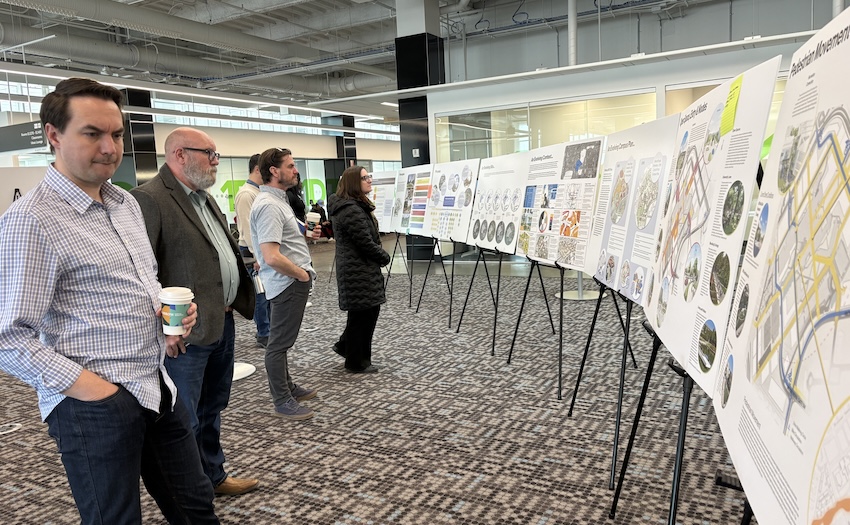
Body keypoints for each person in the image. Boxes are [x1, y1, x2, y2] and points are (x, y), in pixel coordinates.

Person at [0, 77, 218, 523]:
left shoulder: (125, 204)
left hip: (157, 383)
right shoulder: (32, 220)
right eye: (92, 133)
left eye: (116, 134)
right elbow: (8, 337)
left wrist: (166, 321)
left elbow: (135, 286)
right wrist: (97, 392)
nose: (110, 147)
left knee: (196, 507)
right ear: (53, 136)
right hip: (94, 404)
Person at [131, 127, 259, 496]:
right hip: (184, 332)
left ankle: (212, 476)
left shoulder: (205, 197)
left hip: (222, 320)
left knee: (212, 405)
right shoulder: (150, 199)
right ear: (179, 155)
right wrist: (165, 328)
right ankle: (190, 490)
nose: (215, 161)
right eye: (209, 154)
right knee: (182, 415)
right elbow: (143, 272)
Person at [250, 147, 320, 420]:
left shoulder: (278, 200)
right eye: (290, 166)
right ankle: (282, 400)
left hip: (289, 282)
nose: (296, 170)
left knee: (282, 342)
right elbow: (270, 255)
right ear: (273, 171)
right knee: (278, 344)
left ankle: (288, 388)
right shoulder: (268, 205)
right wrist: (301, 274)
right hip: (287, 283)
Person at [327, 166, 390, 373]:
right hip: (358, 271)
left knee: (364, 314)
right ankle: (356, 362)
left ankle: (349, 348)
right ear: (354, 183)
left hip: (360, 268)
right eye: (364, 178)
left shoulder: (354, 205)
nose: (369, 180)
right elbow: (364, 242)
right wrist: (384, 257)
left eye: (369, 176)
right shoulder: (350, 209)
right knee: (363, 315)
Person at [235, 153, 270, 348]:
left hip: (262, 248)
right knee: (260, 295)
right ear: (257, 169)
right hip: (251, 251)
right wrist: (258, 256)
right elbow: (248, 229)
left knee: (267, 293)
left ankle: (268, 330)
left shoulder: (259, 192)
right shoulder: (246, 194)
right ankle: (264, 332)